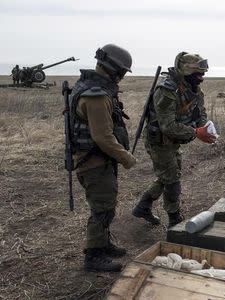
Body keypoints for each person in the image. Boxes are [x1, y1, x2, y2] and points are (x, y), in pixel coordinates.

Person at [70, 44, 137, 272]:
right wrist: (127, 158)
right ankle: (94, 255)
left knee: (106, 204)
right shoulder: (96, 95)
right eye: (123, 73)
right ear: (115, 70)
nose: (122, 78)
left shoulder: (91, 87)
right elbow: (103, 137)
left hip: (97, 160)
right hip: (94, 162)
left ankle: (103, 243)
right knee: (102, 208)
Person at [133, 52, 216, 228]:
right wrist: (195, 132)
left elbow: (200, 112)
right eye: (198, 74)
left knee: (169, 175)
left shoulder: (194, 89)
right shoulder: (167, 90)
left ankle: (143, 206)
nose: (201, 79)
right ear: (186, 72)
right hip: (160, 142)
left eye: (202, 74)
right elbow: (167, 125)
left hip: (173, 141)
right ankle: (174, 219)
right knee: (172, 181)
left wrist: (206, 128)